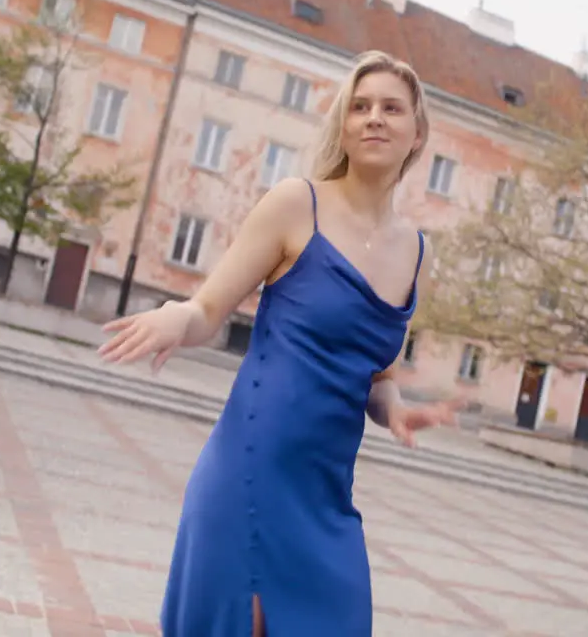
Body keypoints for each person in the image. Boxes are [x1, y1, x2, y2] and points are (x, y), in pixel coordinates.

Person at [97, 50, 464, 637]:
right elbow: (209, 309)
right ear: (343, 125)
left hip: (325, 497)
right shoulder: (298, 204)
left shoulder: (417, 253)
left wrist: (397, 410)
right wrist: (179, 316)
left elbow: (377, 374)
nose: (374, 117)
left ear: (416, 133)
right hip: (250, 472)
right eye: (360, 106)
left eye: (392, 108)